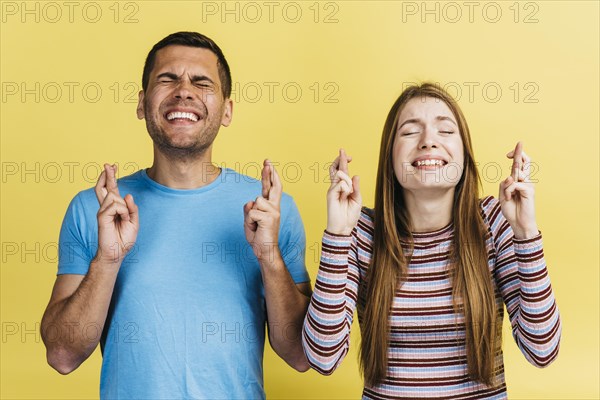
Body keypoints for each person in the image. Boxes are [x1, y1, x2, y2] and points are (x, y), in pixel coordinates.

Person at [41, 31, 311, 399]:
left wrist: (269, 257)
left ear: (227, 111)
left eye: (202, 82)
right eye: (167, 79)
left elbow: (300, 354)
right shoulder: (96, 208)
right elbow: (62, 355)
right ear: (142, 103)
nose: (184, 91)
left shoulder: (270, 209)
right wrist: (108, 259)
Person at [302, 83, 561, 399]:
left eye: (445, 131)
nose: (428, 142)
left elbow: (543, 350)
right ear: (390, 155)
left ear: (465, 154)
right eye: (410, 132)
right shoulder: (362, 232)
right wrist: (338, 235)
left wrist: (526, 233)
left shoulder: (493, 222)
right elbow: (322, 357)